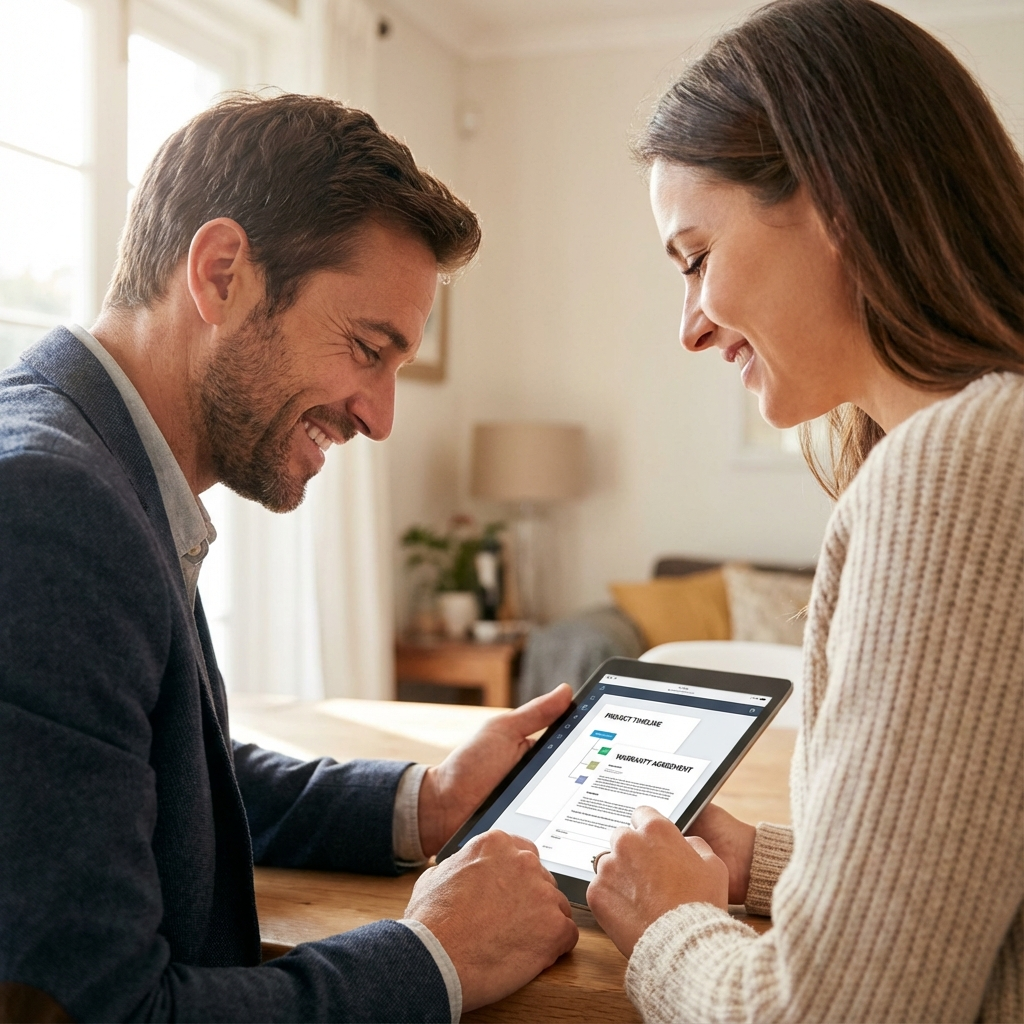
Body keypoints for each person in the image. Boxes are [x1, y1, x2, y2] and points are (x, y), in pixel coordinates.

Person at [0, 93, 578, 1023]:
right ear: (223, 272)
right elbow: (108, 1016)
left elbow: (164, 777)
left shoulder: (99, 466)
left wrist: (425, 802)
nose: (381, 418)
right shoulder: (49, 507)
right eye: (367, 349)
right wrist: (435, 957)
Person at [586, 1, 1023, 1021]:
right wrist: (767, 864)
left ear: (830, 199)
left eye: (693, 256)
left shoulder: (959, 465)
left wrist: (664, 924)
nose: (688, 327)